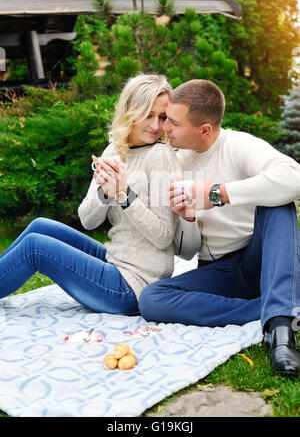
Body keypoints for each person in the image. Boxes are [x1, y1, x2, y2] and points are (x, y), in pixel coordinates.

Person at [139, 79, 300, 378]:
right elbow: (186, 252)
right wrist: (187, 220)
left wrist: (217, 194)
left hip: (260, 259)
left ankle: (280, 331)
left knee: (279, 203)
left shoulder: (238, 145)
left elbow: (294, 180)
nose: (165, 129)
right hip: (219, 270)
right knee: (152, 299)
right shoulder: (171, 162)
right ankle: (275, 307)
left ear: (204, 129)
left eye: (173, 122)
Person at [0, 74, 180, 316]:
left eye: (162, 117)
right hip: (114, 261)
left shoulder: (160, 156)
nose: (156, 126)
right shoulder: (115, 150)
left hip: (131, 287)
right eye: (148, 115)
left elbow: (164, 237)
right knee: (40, 226)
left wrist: (123, 194)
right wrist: (105, 193)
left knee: (35, 247)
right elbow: (87, 220)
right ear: (130, 111)